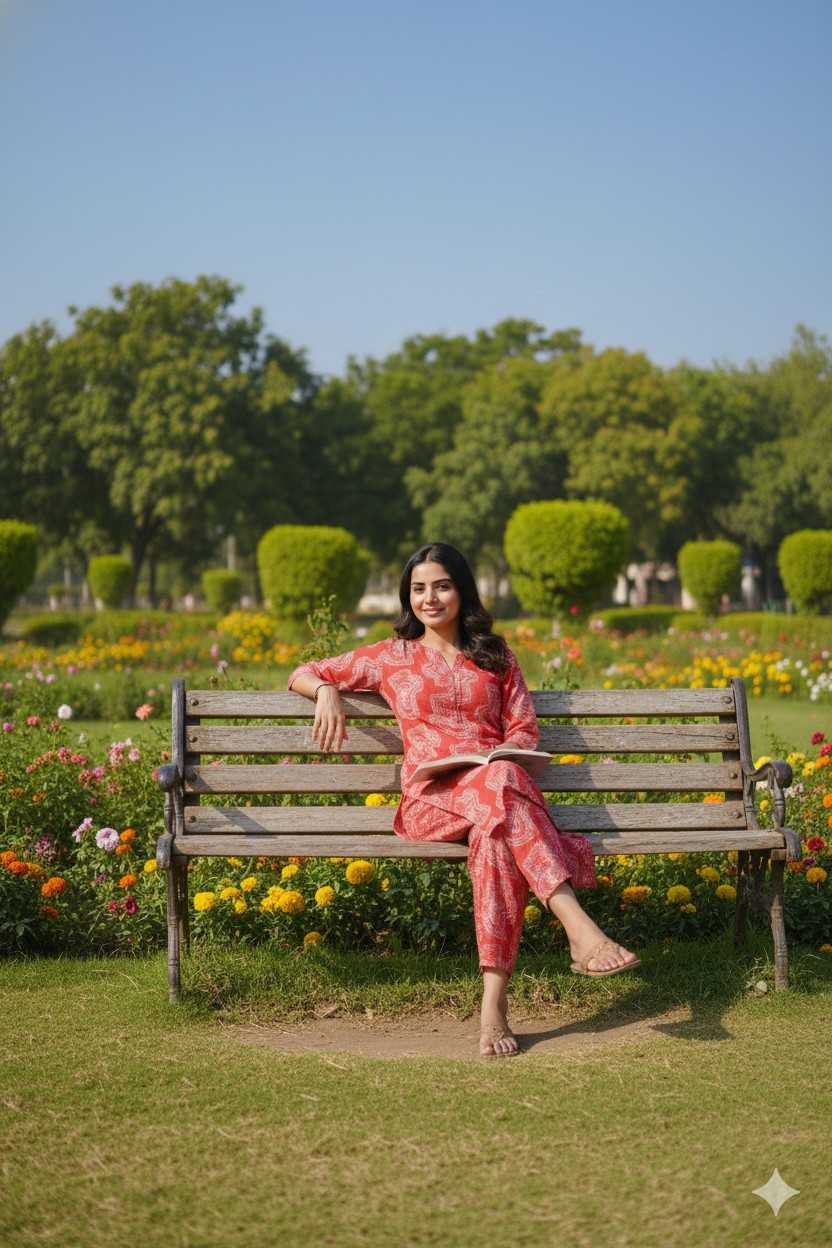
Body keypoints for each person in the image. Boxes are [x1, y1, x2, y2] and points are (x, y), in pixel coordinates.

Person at [287, 542, 640, 1058]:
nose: (430, 598)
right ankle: (579, 929)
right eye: (419, 589)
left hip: (496, 797)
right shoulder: (390, 657)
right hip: (430, 801)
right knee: (500, 787)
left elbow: (523, 727)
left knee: (495, 835)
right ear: (408, 598)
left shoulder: (494, 656)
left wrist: (505, 755)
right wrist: (324, 690)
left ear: (461, 590)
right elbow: (303, 668)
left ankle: (493, 1005)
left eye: (441, 585)